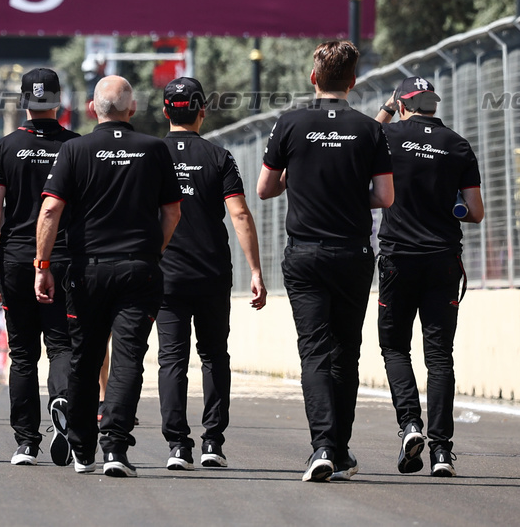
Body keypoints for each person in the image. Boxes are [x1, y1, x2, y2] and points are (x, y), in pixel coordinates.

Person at [256, 40, 393, 482]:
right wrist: (352, 193)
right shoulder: (370, 130)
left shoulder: (290, 123)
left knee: (313, 350)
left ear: (313, 78)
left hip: (305, 253)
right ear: (352, 82)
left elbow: (264, 188)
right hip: (353, 252)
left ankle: (321, 449)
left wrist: (296, 182)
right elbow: (385, 197)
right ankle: (341, 448)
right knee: (345, 353)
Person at [36, 75, 181, 478]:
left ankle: (83, 450)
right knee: (129, 357)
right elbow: (172, 211)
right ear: (132, 109)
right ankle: (115, 447)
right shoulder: (154, 149)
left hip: (87, 270)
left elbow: (50, 211)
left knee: (85, 356)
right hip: (140, 267)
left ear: (91, 109)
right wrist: (155, 251)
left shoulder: (75, 149)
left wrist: (42, 265)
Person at [375, 76, 484, 478]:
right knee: (439, 356)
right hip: (442, 259)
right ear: (432, 105)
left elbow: (363, 138)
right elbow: (475, 211)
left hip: (398, 258)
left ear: (403, 104)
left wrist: (387, 109)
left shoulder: (386, 135)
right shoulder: (457, 144)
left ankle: (410, 426)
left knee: (394, 347)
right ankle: (441, 451)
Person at [157, 77, 267, 472]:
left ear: (166, 110)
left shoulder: (152, 154)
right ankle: (212, 443)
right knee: (214, 355)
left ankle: (176, 446)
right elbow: (239, 213)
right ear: (202, 111)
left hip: (165, 273)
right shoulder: (220, 156)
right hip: (212, 273)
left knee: (171, 357)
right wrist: (256, 269)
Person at [0, 67, 81, 467]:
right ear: (57, 101)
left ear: (23, 102)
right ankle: (63, 402)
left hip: (17, 257)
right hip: (64, 256)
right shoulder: (76, 146)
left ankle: (26, 442)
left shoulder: (3, 147)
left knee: (21, 353)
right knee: (61, 343)